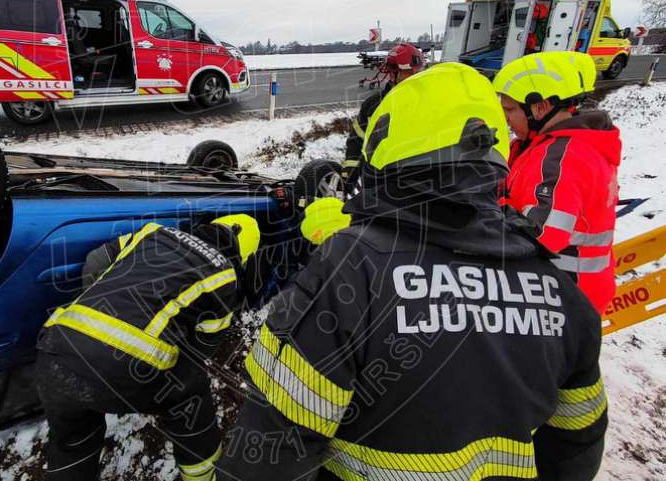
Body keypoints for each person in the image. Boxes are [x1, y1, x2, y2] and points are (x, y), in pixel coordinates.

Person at [217, 64, 607, 481]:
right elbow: (576, 448)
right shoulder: (560, 293)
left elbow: (268, 452)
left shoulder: (350, 270)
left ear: (388, 147)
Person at [36, 214, 260, 481]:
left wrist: (101, 318)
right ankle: (203, 475)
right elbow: (202, 348)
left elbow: (96, 260)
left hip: (56, 347)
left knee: (73, 439)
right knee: (191, 392)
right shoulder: (224, 275)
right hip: (124, 367)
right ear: (242, 253)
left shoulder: (153, 232)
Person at [494, 51, 621, 313]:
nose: (505, 118)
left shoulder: (563, 157)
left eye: (510, 109)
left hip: (564, 297)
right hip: (575, 289)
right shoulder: (555, 145)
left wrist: (489, 206)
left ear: (539, 107)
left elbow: (539, 235)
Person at [341, 42, 424, 194]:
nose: (391, 77)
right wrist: (348, 180)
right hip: (379, 186)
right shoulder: (374, 105)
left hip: (421, 183)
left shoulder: (429, 102)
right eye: (391, 72)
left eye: (396, 72)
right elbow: (357, 143)